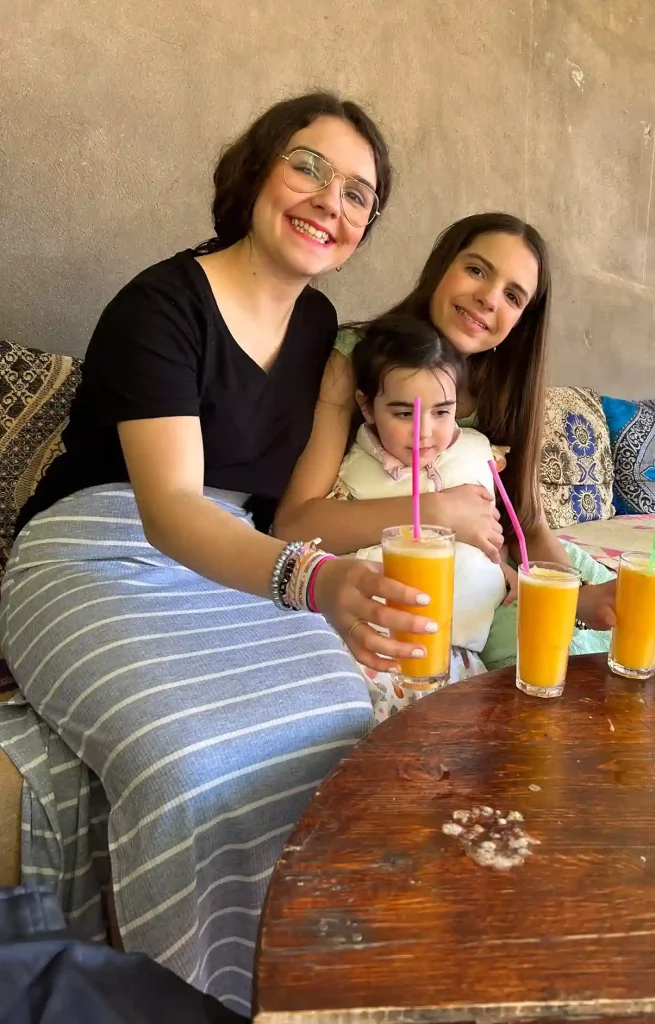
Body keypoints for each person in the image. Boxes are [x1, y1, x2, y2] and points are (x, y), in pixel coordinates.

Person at [0, 92, 438, 1014]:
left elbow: (314, 484)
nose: (330, 201)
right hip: (100, 549)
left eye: (359, 193)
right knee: (188, 765)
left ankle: (309, 992)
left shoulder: (323, 331)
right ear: (257, 170)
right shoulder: (159, 304)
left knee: (351, 737)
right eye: (308, 167)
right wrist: (314, 581)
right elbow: (168, 510)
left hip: (234, 561)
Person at [275, 212, 655, 667]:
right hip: (419, 565)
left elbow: (528, 526)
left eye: (513, 296)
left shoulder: (507, 391)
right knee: (551, 668)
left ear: (522, 320)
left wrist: (581, 595)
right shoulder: (359, 356)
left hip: (508, 568)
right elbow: (294, 526)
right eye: (476, 269)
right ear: (441, 267)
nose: (489, 298)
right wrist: (439, 511)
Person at [327, 311, 517, 719]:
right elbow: (322, 546)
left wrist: (505, 570)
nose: (424, 432)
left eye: (441, 412)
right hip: (379, 648)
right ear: (366, 406)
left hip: (462, 654)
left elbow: (491, 534)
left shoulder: (474, 458)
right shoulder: (354, 473)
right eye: (403, 413)